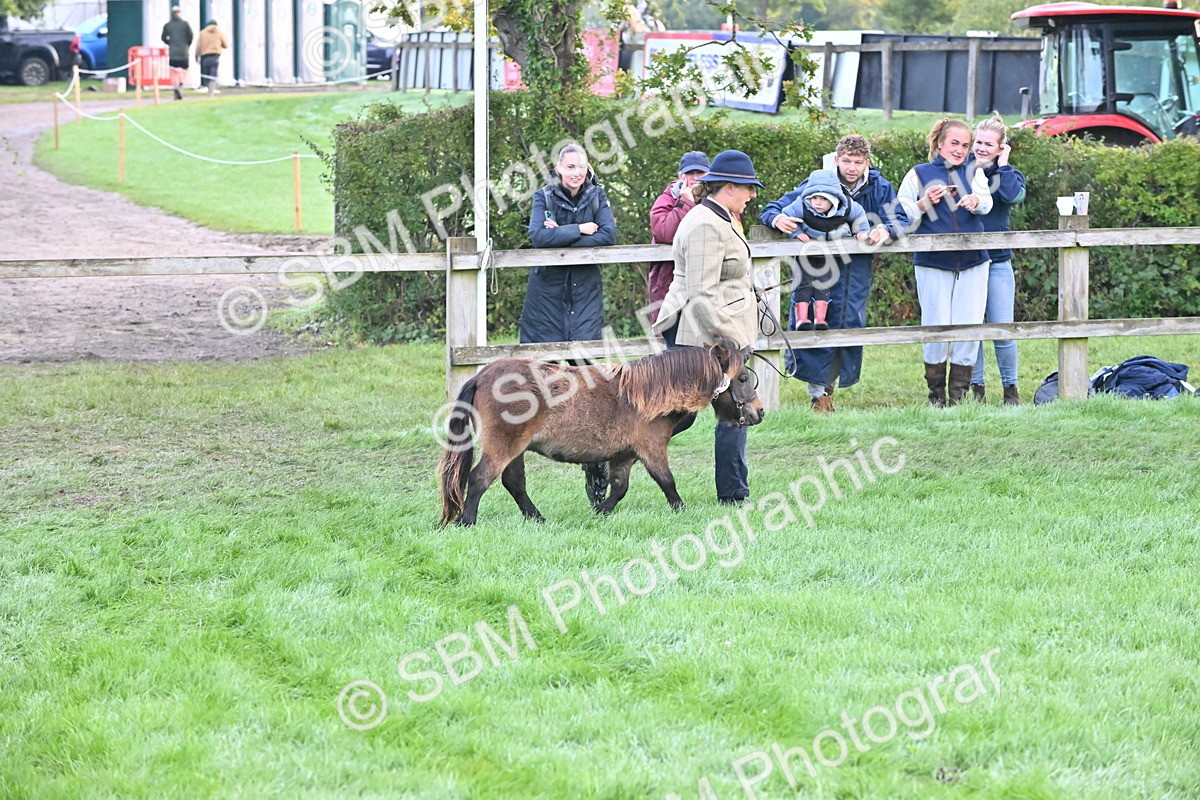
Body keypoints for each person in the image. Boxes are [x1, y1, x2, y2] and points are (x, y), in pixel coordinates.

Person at [759, 134, 908, 413]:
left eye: (858, 162)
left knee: (847, 324)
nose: (852, 168)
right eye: (847, 161)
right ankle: (819, 394)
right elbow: (773, 209)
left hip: (856, 270)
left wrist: (883, 230)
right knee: (814, 323)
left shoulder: (879, 186)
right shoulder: (818, 183)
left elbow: (900, 218)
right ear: (837, 159)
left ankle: (829, 388)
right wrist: (778, 219)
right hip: (816, 269)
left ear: (867, 162)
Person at [652, 150, 764, 505]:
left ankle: (734, 493)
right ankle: (610, 459)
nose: (752, 195)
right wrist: (730, 342)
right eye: (748, 188)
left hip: (713, 331)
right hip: (698, 333)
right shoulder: (705, 224)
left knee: (730, 409)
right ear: (729, 187)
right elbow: (701, 293)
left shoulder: (721, 217)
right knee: (673, 416)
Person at [524, 143, 616, 506]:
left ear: (587, 166)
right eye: (570, 166)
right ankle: (516, 458)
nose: (576, 172)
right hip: (546, 299)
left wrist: (561, 230)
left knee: (589, 381)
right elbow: (539, 237)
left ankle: (596, 471)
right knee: (536, 380)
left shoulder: (598, 194)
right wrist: (581, 227)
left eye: (580, 166)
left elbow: (608, 235)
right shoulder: (543, 196)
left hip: (585, 297)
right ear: (559, 168)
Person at [897, 118, 993, 406]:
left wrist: (976, 201)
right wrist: (924, 202)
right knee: (936, 325)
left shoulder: (975, 171)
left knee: (969, 325)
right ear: (940, 143)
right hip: (932, 261)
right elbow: (902, 216)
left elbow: (987, 202)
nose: (960, 150)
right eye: (955, 143)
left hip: (974, 261)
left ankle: (960, 396)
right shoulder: (918, 173)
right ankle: (936, 396)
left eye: (965, 145)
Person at [968, 115, 1027, 405]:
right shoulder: (960, 170)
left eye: (988, 144)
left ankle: (1010, 391)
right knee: (973, 329)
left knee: (1003, 329)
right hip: (967, 261)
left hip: (998, 262)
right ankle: (976, 389)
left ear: (1000, 147)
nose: (981, 147)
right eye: (978, 142)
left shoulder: (1010, 174)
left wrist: (1002, 166)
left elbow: (1012, 196)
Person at [776, 168, 871, 331]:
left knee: (824, 285)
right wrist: (797, 232)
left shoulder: (846, 207)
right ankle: (802, 319)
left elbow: (860, 216)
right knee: (803, 285)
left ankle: (820, 319)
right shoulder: (801, 204)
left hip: (828, 254)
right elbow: (786, 216)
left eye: (823, 199)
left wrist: (861, 232)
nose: (817, 203)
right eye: (814, 198)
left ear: (834, 199)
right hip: (805, 253)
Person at [648, 150, 709, 322]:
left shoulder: (716, 200)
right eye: (690, 173)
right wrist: (686, 202)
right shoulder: (667, 199)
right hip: (668, 279)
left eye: (700, 173)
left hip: (705, 279)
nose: (694, 178)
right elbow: (664, 233)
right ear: (680, 176)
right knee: (667, 336)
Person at [160, 6, 193, 101]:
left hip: (173, 52)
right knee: (185, 70)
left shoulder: (168, 25)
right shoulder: (185, 24)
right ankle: (181, 83)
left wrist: (170, 43)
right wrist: (187, 44)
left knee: (173, 71)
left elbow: (163, 37)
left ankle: (175, 86)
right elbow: (190, 36)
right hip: (184, 51)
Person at [194, 20, 228, 94]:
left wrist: (196, 56)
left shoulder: (203, 33)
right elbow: (225, 45)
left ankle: (208, 88)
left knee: (207, 73)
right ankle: (211, 90)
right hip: (215, 55)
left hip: (205, 56)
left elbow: (198, 46)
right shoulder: (219, 33)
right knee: (213, 73)